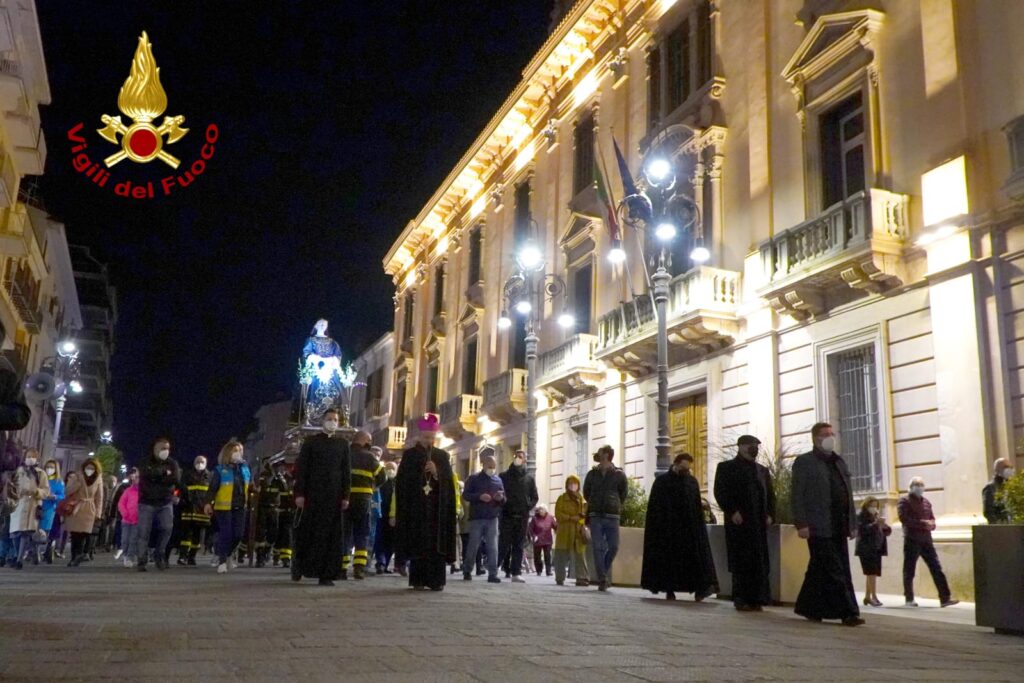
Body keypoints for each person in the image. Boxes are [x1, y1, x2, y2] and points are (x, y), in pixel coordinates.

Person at [791, 423, 862, 626]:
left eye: (832, 434)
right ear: (815, 438)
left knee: (819, 569)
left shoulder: (838, 462)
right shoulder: (804, 462)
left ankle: (810, 607)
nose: (830, 437)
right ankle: (848, 612)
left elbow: (847, 494)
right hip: (817, 525)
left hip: (838, 525)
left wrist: (852, 523)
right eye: (825, 434)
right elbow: (797, 494)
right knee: (834, 569)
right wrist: (801, 523)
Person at [391, 414, 457, 591]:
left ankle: (436, 581)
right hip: (416, 509)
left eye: (432, 438)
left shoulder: (442, 456)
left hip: (436, 510)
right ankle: (418, 580)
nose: (429, 441)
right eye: (426, 437)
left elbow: (450, 483)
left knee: (435, 545)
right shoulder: (410, 455)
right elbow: (403, 483)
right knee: (417, 543)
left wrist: (437, 473)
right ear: (420, 436)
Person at [641, 453, 717, 601]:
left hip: (689, 530)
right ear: (675, 464)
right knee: (670, 562)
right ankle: (670, 590)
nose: (685, 471)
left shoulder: (691, 482)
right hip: (668, 530)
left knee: (693, 561)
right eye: (683, 468)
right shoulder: (662, 482)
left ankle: (699, 590)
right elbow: (655, 508)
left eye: (687, 469)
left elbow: (695, 506)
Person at [714, 434, 775, 611]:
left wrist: (770, 514)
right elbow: (720, 491)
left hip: (758, 523)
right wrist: (732, 511)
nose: (753, 448)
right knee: (741, 561)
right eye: (750, 445)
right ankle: (741, 597)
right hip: (739, 523)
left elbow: (771, 495)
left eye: (756, 445)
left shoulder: (762, 471)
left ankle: (758, 598)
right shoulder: (726, 468)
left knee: (759, 561)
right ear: (740, 446)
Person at [292, 408, 350, 585]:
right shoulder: (311, 442)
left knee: (331, 537)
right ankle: (301, 567)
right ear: (323, 421)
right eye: (329, 418)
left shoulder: (342, 444)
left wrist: (346, 496)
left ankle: (327, 574)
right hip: (313, 495)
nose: (332, 421)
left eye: (335, 419)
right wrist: (300, 494)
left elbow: (346, 472)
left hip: (333, 497)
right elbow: (302, 470)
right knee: (309, 533)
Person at [897, 477, 959, 607]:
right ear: (911, 486)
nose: (919, 487)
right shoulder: (904, 501)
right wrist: (921, 523)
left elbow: (932, 518)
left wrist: (932, 524)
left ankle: (945, 598)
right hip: (912, 540)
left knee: (936, 568)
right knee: (909, 570)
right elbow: (904, 519)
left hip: (926, 540)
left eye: (921, 484)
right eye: (916, 484)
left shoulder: (926, 502)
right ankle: (909, 598)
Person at [203, 440, 252, 574]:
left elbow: (249, 486)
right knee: (226, 533)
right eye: (235, 451)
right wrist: (208, 503)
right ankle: (222, 561)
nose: (238, 454)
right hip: (224, 507)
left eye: (240, 451)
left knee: (238, 534)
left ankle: (227, 554)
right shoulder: (220, 470)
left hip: (241, 506)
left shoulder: (244, 469)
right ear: (228, 453)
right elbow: (212, 488)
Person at [583, 445, 628, 592]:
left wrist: (614, 503)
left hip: (612, 515)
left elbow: (623, 493)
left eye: (600, 453)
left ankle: (603, 570)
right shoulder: (592, 474)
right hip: (596, 515)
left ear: (607, 455)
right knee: (598, 548)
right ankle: (602, 579)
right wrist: (595, 502)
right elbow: (586, 492)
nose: (598, 455)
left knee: (614, 546)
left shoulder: (619, 474)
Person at [343, 431, 386, 580]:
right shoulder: (370, 457)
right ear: (365, 441)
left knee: (345, 534)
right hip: (363, 499)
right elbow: (383, 476)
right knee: (362, 534)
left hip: (345, 499)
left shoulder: (345, 455)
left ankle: (342, 568)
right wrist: (372, 486)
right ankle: (359, 568)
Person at [136, 437, 181, 571]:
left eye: (167, 448)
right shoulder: (145, 461)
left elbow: (175, 479)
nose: (165, 451)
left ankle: (159, 555)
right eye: (162, 448)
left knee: (167, 528)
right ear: (155, 449)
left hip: (165, 502)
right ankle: (142, 560)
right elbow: (146, 474)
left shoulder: (172, 463)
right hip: (147, 502)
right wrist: (163, 473)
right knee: (144, 532)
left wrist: (156, 477)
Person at [461, 452, 505, 583]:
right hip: (477, 518)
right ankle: (467, 570)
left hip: (492, 517)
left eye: (494, 466)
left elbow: (504, 499)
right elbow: (466, 495)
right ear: (484, 465)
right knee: (473, 545)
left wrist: (500, 498)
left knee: (493, 546)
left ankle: (493, 573)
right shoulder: (473, 479)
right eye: (490, 466)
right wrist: (479, 496)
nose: (492, 468)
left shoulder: (498, 480)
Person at [497, 449, 538, 584]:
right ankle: (495, 567)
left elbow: (534, 497)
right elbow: (499, 492)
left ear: (525, 459)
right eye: (516, 456)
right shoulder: (504, 476)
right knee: (503, 543)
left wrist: (528, 506)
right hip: (507, 514)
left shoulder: (529, 478)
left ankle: (516, 572)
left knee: (518, 545)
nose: (518, 458)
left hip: (522, 516)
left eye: (521, 456)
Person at [9, 448, 48, 569]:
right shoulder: (18, 470)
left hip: (32, 504)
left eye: (33, 456)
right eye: (28, 456)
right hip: (18, 503)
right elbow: (11, 485)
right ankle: (16, 554)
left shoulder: (40, 473)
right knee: (15, 533)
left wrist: (37, 492)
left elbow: (46, 491)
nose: (30, 458)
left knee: (25, 534)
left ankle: (19, 559)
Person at [64, 458, 105, 568]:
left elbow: (99, 497)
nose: (89, 470)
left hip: (89, 509)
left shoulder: (98, 479)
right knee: (74, 535)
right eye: (87, 468)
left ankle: (80, 555)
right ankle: (73, 557)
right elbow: (67, 491)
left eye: (92, 468)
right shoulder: (76, 477)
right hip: (76, 507)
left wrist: (98, 513)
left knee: (84, 534)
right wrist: (77, 484)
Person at [855, 496, 891, 607]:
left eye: (876, 506)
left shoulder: (876, 516)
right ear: (866, 506)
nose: (874, 508)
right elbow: (862, 530)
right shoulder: (861, 516)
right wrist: (876, 524)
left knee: (871, 574)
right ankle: (874, 597)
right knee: (871, 573)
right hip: (866, 548)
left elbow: (887, 531)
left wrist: (884, 526)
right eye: (872, 506)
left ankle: (867, 597)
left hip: (877, 548)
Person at [553, 474, 588, 587]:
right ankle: (559, 577)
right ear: (567, 485)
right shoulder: (562, 499)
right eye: (570, 483)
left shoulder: (582, 499)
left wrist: (581, 520)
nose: (573, 486)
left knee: (580, 555)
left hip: (577, 531)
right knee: (561, 555)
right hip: (564, 531)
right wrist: (571, 518)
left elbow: (584, 514)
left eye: (575, 483)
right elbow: (558, 514)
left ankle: (582, 578)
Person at [178, 455, 212, 566]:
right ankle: (182, 556)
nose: (199, 463)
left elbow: (211, 493)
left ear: (206, 463)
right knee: (185, 534)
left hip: (201, 510)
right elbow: (181, 489)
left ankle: (191, 557)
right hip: (188, 507)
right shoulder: (187, 474)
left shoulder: (209, 476)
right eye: (197, 461)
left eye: (202, 461)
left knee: (197, 535)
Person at [255, 464, 281, 568]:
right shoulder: (261, 476)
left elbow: (285, 489)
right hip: (262, 507)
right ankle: (259, 557)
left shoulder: (279, 477)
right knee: (260, 533)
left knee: (273, 533)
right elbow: (256, 488)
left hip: (274, 508)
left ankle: (267, 550)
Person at [39, 459, 65, 564]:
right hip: (39, 506)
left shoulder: (58, 482)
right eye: (48, 467)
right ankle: (34, 551)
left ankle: (48, 550)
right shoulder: (40, 478)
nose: (49, 469)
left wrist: (55, 496)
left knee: (48, 530)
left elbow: (62, 495)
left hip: (51, 507)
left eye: (52, 467)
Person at [374, 460, 397, 573]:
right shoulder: (381, 481)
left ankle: (385, 564)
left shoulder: (397, 482)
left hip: (392, 517)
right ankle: (381, 563)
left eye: (392, 468)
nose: (390, 470)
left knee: (391, 542)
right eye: (388, 468)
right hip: (381, 515)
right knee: (380, 540)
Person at [272, 461, 294, 568]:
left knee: (287, 534)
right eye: (288, 466)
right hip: (283, 511)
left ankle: (286, 558)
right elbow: (274, 495)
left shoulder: (298, 479)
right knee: (281, 534)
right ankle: (279, 555)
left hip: (294, 512)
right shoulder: (280, 480)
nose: (290, 468)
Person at [116, 468, 140, 567]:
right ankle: (125, 555)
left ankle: (130, 557)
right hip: (126, 520)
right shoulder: (128, 491)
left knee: (133, 540)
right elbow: (121, 503)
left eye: (137, 478)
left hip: (137, 521)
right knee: (125, 539)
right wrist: (125, 513)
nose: (135, 480)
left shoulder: (143, 492)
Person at [982, 458, 1014, 524]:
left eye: (1011, 467)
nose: (1010, 469)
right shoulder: (990, 488)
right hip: (1001, 528)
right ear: (998, 469)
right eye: (1006, 467)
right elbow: (988, 512)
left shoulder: (1010, 486)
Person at [529, 505, 555, 577]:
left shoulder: (550, 517)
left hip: (547, 540)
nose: (540, 511)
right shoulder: (535, 518)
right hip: (537, 540)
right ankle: (539, 570)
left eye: (542, 509)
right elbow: (530, 529)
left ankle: (548, 571)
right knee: (537, 556)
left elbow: (555, 526)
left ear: (545, 510)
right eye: (539, 509)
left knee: (547, 556)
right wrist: (533, 536)